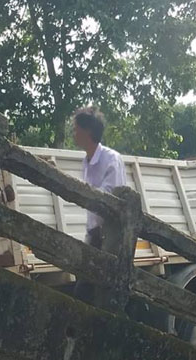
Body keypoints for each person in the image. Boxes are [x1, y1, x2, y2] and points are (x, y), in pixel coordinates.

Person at [71, 106, 127, 302]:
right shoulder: (86, 161)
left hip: (110, 236)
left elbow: (109, 197)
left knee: (100, 291)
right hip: (94, 233)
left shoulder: (111, 159)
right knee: (85, 289)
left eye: (76, 128)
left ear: (88, 132)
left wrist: (74, 188)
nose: (73, 133)